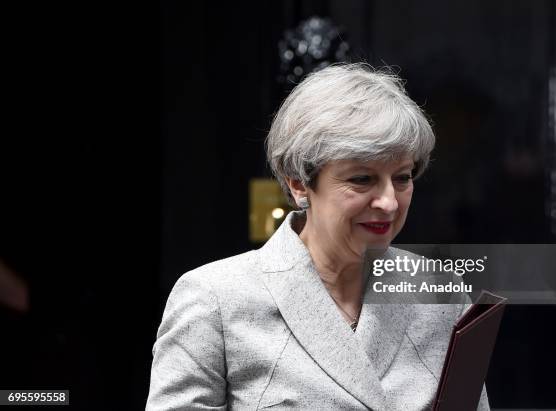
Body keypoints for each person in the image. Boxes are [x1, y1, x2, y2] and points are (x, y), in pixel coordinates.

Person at [146, 63, 489, 410]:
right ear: (299, 183)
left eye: (402, 178)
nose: (388, 202)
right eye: (362, 179)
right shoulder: (214, 300)